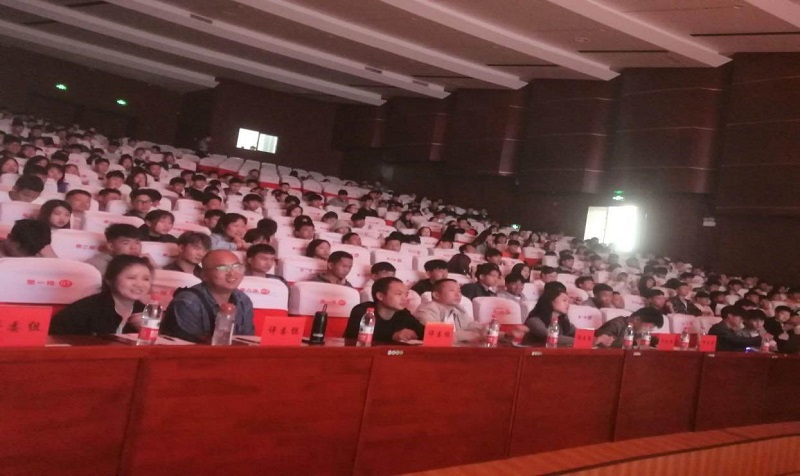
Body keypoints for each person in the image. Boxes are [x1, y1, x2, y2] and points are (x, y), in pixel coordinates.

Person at [162, 250, 254, 342]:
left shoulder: (243, 300)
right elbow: (187, 346)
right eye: (222, 268)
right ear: (204, 275)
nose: (232, 273)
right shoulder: (187, 303)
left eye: (236, 267)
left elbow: (247, 340)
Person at [49, 255, 152, 335]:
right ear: (110, 280)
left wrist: (147, 331)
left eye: (146, 279)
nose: (140, 284)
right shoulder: (85, 309)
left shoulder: (147, 312)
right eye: (131, 278)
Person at [344, 277, 424, 342]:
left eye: (406, 295)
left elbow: (422, 332)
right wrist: (393, 336)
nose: (404, 298)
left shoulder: (403, 314)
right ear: (380, 296)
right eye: (399, 294)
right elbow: (356, 335)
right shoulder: (363, 310)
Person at [414, 278, 485, 342]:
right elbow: (437, 334)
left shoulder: (458, 308)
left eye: (459, 291)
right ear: (436, 295)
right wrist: (472, 335)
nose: (458, 294)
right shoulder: (427, 309)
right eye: (452, 291)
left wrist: (484, 329)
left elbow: (470, 324)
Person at [594, 307, 664, 348]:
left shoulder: (639, 329)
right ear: (637, 319)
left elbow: (649, 339)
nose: (649, 330)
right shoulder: (616, 324)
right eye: (649, 327)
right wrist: (635, 343)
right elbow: (605, 342)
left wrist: (656, 342)